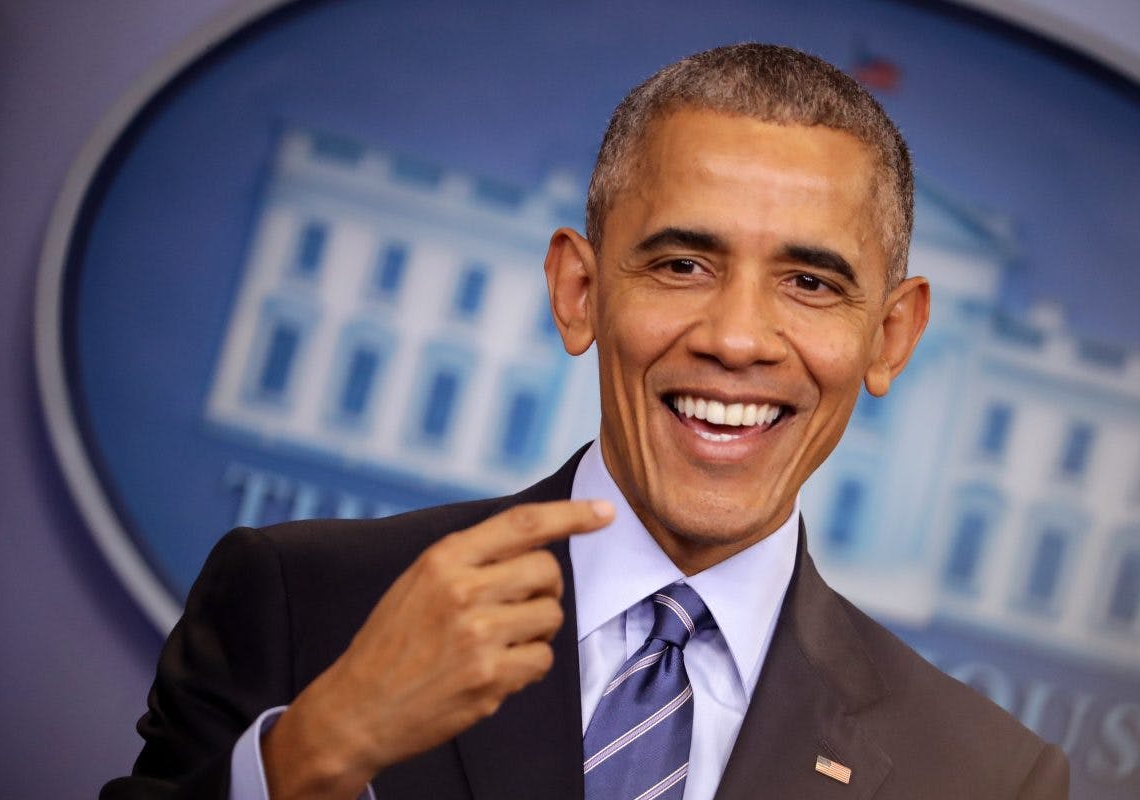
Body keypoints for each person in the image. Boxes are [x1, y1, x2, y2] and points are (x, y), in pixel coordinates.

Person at [103, 44, 1069, 800]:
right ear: (578, 290)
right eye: (682, 265)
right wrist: (310, 757)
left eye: (810, 283)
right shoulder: (301, 605)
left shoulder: (986, 778)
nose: (737, 339)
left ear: (891, 337)